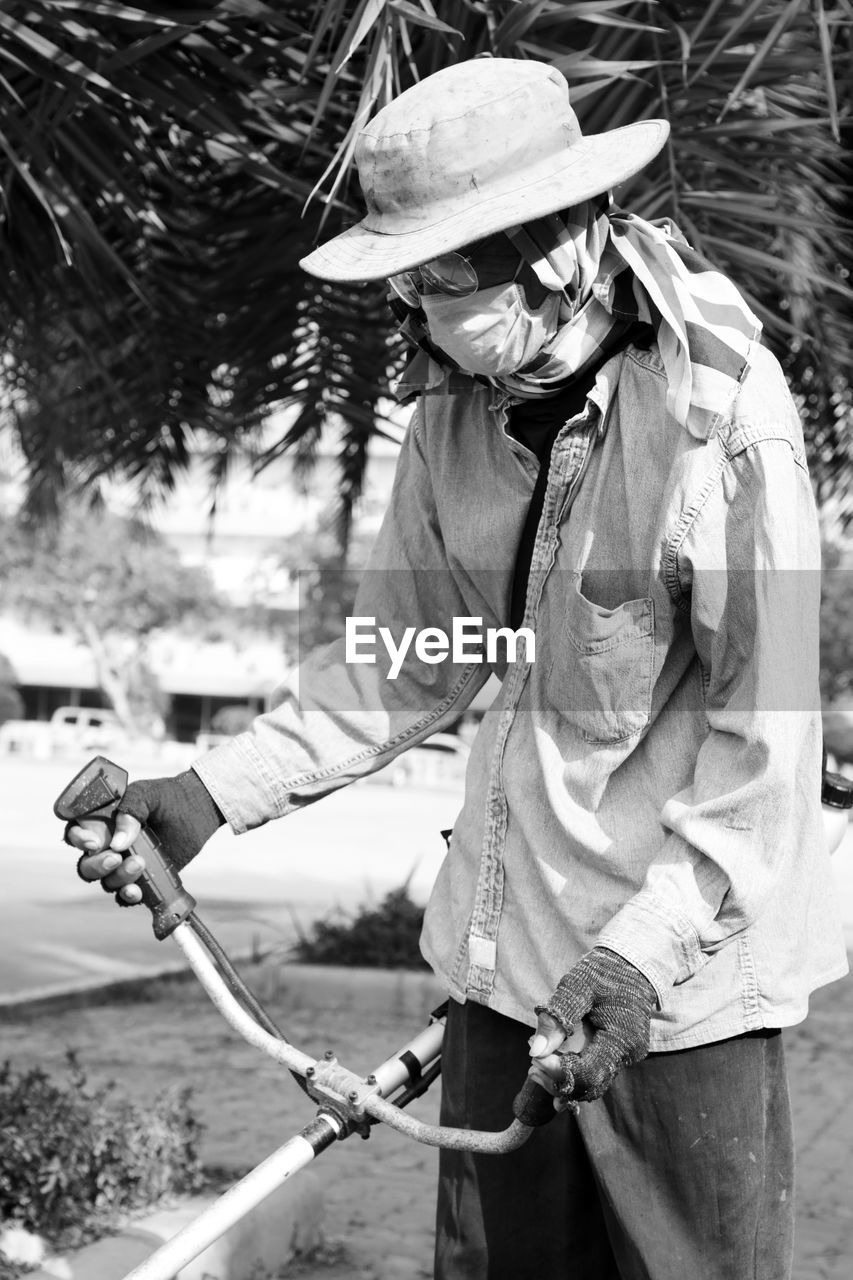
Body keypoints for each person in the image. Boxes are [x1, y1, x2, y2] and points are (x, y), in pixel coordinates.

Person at [66, 59, 848, 1280]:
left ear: (546, 249)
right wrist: (206, 792)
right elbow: (409, 659)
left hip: (679, 1005)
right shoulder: (453, 415)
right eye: (403, 278)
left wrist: (638, 955)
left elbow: (771, 749)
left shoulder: (726, 421)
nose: (413, 312)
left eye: (436, 277)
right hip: (502, 982)